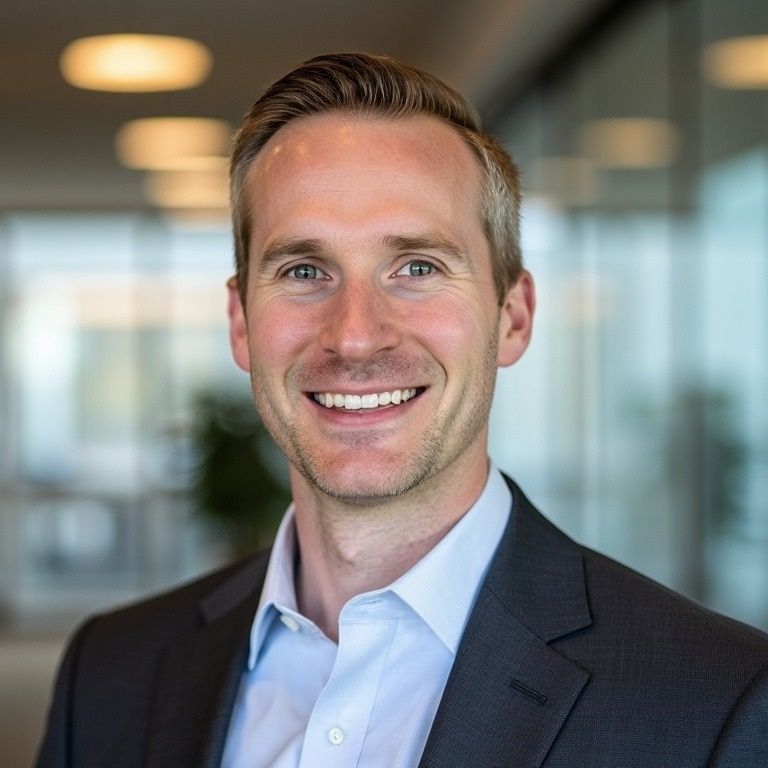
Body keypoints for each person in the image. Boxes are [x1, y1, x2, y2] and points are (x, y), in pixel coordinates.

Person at [37, 53, 768, 768]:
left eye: (417, 267)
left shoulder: (715, 704)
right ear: (240, 323)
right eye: (303, 270)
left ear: (512, 316)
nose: (355, 335)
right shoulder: (109, 673)